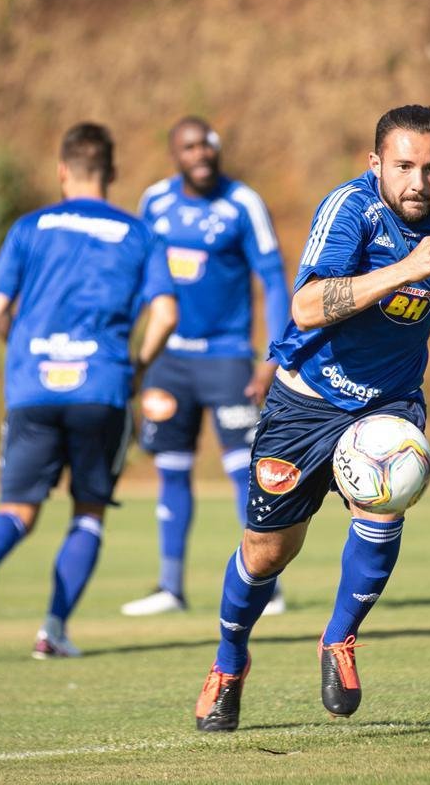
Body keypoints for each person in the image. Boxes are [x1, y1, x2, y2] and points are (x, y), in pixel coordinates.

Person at [194, 104, 430, 731]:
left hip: (389, 401)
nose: (418, 183)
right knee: (267, 552)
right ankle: (228, 662)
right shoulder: (350, 210)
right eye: (403, 166)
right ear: (375, 162)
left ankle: (339, 639)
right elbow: (303, 307)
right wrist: (404, 270)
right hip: (306, 400)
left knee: (387, 499)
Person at [0, 123, 177, 658]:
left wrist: (24, 348)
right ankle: (52, 629)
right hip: (100, 386)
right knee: (87, 512)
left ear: (61, 173)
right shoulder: (139, 234)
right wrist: (137, 367)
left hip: (33, 386)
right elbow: (166, 314)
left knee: (18, 509)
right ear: (112, 174)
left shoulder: (29, 227)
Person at [119, 117, 291, 618]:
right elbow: (137, 279)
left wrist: (273, 354)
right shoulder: (154, 202)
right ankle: (170, 587)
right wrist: (131, 348)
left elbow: (273, 280)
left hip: (228, 357)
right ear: (175, 153)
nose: (201, 154)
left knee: (248, 473)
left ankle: (268, 586)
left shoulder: (243, 203)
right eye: (190, 147)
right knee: (170, 470)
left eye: (208, 145)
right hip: (169, 362)